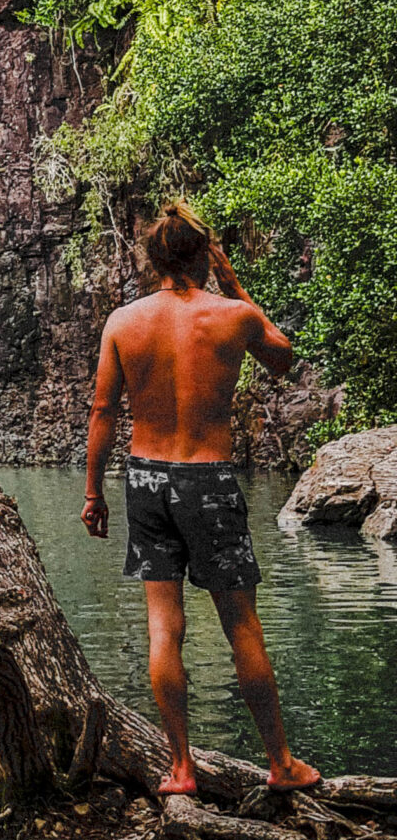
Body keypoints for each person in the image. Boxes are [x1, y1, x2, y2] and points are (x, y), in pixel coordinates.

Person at [82, 199, 319, 797]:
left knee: (164, 629)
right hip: (208, 480)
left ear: (155, 258)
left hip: (144, 479)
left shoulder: (122, 322)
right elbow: (284, 359)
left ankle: (181, 769)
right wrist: (236, 283)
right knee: (242, 627)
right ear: (203, 256)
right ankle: (281, 763)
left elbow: (103, 411)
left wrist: (93, 491)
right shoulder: (232, 316)